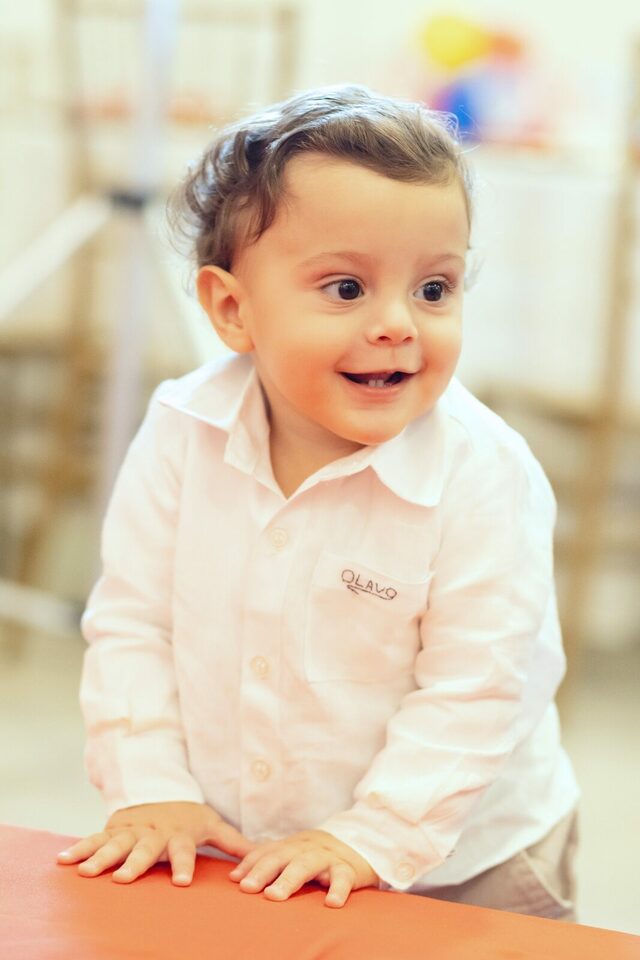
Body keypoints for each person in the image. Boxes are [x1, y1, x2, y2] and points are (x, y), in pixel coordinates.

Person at [57, 85, 579, 917]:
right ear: (233, 309)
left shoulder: (485, 473)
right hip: (248, 848)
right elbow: (133, 625)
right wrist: (150, 785)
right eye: (345, 288)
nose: (398, 324)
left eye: (434, 289)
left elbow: (477, 689)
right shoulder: (182, 429)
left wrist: (374, 835)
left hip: (470, 863)